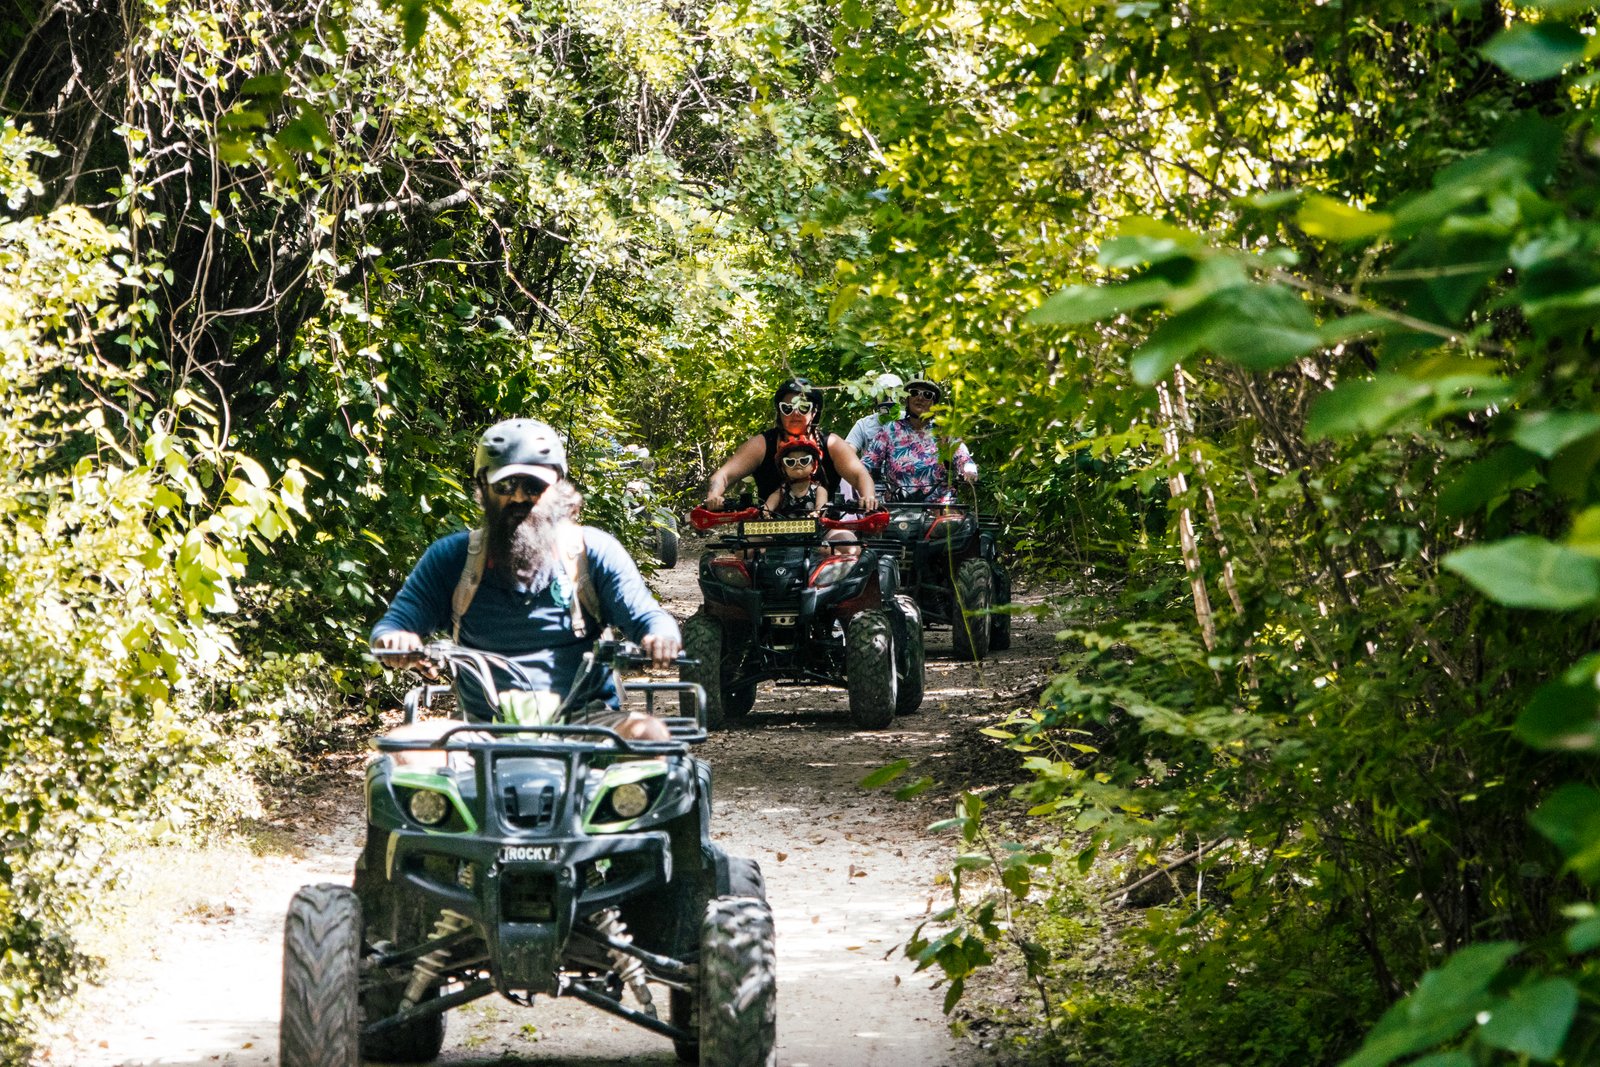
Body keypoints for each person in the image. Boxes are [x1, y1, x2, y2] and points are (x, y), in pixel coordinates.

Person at [371, 418, 682, 741]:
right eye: (505, 486)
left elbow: (646, 614)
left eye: (534, 486)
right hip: (480, 727)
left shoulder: (592, 552)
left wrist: (659, 636)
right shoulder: (452, 558)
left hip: (586, 724)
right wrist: (395, 640)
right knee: (402, 748)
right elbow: (395, 623)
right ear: (483, 489)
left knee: (649, 735)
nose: (519, 498)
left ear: (557, 487)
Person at [704, 377, 879, 513]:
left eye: (803, 407)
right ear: (779, 412)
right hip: (769, 529)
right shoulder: (762, 444)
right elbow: (723, 475)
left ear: (814, 412)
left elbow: (860, 475)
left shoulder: (831, 443)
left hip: (824, 528)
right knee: (746, 547)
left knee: (848, 544)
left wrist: (868, 497)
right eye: (787, 408)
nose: (795, 413)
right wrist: (714, 496)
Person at [861, 376, 979, 505]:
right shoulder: (890, 430)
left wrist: (969, 471)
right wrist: (867, 494)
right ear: (907, 400)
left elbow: (963, 457)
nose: (920, 398)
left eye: (927, 395)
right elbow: (866, 465)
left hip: (940, 508)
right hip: (899, 508)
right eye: (914, 393)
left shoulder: (943, 432)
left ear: (934, 404)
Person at [763, 436, 830, 518]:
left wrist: (817, 514)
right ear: (783, 469)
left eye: (804, 460)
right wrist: (763, 513)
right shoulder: (781, 492)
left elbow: (821, 510)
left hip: (813, 526)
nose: (798, 464)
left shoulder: (819, 491)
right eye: (790, 462)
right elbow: (766, 509)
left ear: (813, 466)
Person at [846, 372, 905, 454]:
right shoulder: (864, 425)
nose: (888, 401)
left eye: (893, 397)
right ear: (876, 398)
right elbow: (846, 452)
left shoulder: (911, 420)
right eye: (884, 397)